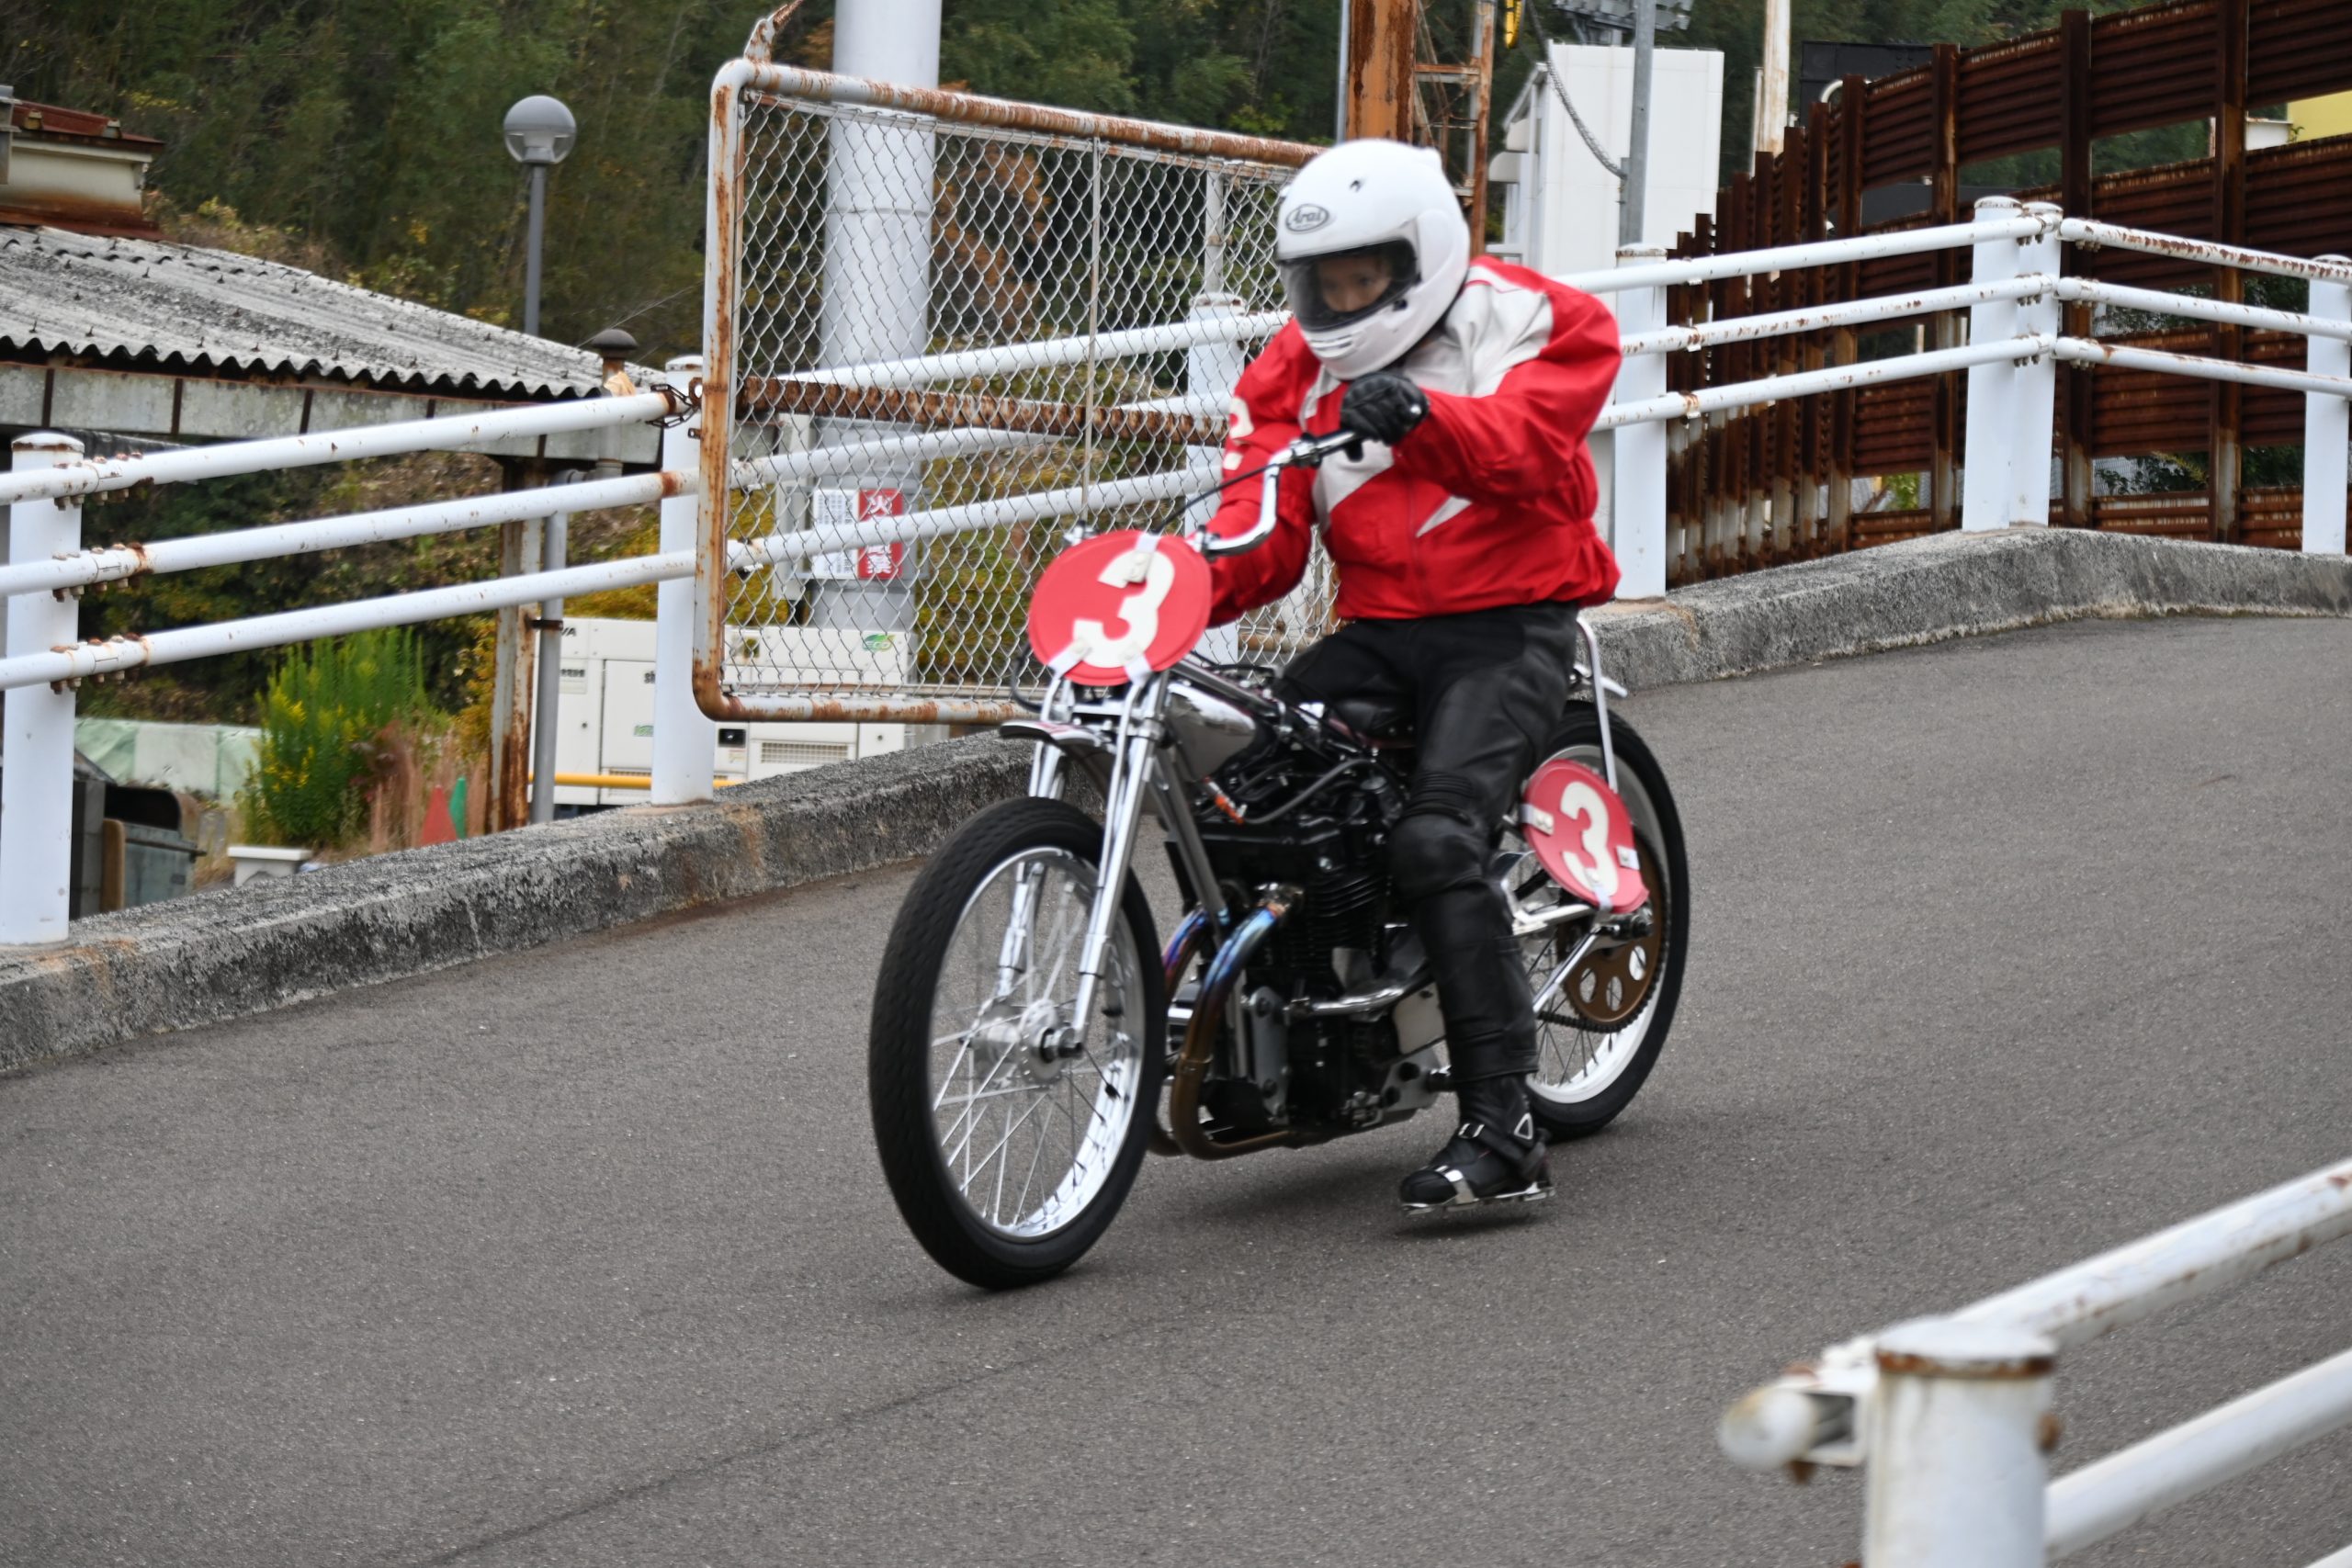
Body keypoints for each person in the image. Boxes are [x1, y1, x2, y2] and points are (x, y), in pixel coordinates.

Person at [1202, 137, 1623, 1211]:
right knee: (1241, 798)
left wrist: (1424, 419)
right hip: (1380, 626)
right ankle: (1293, 1050)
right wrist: (1172, 592)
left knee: (1436, 840)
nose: (1342, 303)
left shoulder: (1536, 318)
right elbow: (1259, 529)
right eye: (1323, 283)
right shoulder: (1289, 369)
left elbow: (1529, 448)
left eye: (1363, 278)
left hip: (1510, 620)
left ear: (1421, 254)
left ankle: (1504, 1128)